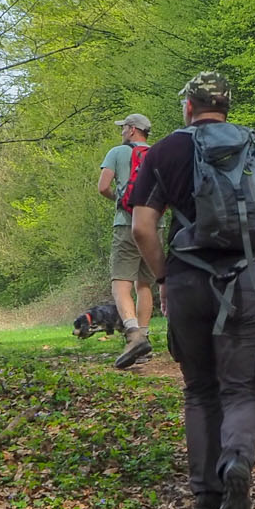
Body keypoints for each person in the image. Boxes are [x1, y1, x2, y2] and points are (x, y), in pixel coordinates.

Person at [128, 72, 255, 509]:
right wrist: (254, 244)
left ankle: (206, 496)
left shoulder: (164, 151)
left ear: (188, 106)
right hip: (243, 280)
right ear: (226, 106)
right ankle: (236, 462)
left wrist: (163, 275)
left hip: (186, 281)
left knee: (200, 389)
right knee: (241, 388)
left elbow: (143, 227)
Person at [99, 113, 156, 365]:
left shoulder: (117, 152)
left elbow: (103, 187)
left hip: (126, 224)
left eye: (123, 128)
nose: (121, 132)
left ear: (133, 130)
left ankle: (133, 334)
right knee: (144, 285)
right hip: (155, 225)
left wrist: (121, 202)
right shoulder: (159, 154)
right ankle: (144, 338)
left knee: (120, 284)